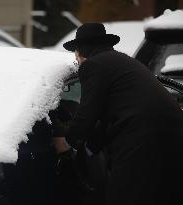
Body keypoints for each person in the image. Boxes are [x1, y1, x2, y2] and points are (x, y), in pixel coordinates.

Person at [52, 23, 183, 205]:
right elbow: (104, 116)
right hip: (171, 136)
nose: (76, 58)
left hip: (141, 138)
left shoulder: (93, 65)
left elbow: (87, 113)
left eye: (76, 52)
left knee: (123, 196)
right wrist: (90, 147)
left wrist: (67, 144)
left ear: (82, 50)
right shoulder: (120, 61)